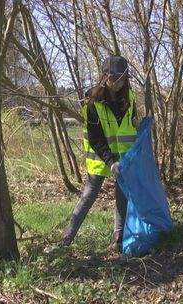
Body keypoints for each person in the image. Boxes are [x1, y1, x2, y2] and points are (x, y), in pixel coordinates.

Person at [53, 55, 138, 252]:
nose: (118, 83)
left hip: (124, 157)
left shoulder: (129, 97)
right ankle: (66, 239)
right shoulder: (93, 103)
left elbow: (131, 123)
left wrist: (139, 126)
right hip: (101, 159)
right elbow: (95, 138)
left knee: (122, 194)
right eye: (114, 78)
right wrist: (110, 161)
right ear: (105, 77)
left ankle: (119, 236)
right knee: (88, 196)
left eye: (122, 79)